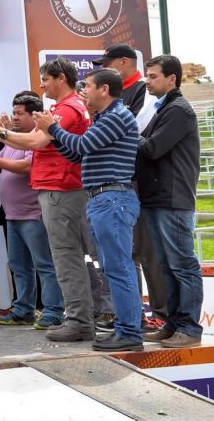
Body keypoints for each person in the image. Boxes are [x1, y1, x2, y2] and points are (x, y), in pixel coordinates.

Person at [0, 58, 106, 343]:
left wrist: (2, 134)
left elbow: (36, 143)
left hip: (62, 190)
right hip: (56, 190)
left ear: (60, 79)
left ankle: (80, 320)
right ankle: (80, 317)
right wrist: (3, 137)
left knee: (66, 257)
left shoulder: (68, 108)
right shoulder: (59, 109)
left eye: (45, 79)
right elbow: (31, 138)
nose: (42, 85)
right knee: (64, 258)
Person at [36, 68, 143, 352]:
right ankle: (127, 329)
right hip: (102, 200)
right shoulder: (103, 118)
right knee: (112, 268)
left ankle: (130, 332)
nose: (84, 91)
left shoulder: (117, 116)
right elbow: (76, 153)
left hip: (112, 199)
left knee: (119, 268)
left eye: (89, 86)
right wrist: (55, 134)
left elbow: (83, 144)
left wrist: (53, 129)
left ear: (104, 89)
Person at [0, 93, 64, 329]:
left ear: (35, 116)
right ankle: (23, 309)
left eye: (20, 113)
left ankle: (54, 311)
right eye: (13, 113)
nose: (14, 118)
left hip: (32, 213)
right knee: (19, 266)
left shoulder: (37, 140)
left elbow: (27, 166)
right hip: (12, 214)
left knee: (44, 265)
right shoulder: (14, 142)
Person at [94, 44, 167, 332]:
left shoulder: (141, 90)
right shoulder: (115, 93)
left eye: (108, 64)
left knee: (148, 252)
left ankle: (160, 313)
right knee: (127, 253)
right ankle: (131, 315)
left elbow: (129, 132)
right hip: (123, 180)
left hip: (139, 181)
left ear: (124, 62)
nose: (103, 69)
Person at [137, 55, 203, 348]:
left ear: (172, 79)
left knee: (182, 265)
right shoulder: (164, 107)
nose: (147, 82)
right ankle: (173, 324)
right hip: (157, 197)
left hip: (173, 199)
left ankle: (189, 328)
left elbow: (152, 148)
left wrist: (124, 132)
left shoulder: (179, 110)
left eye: (152, 76)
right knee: (167, 265)